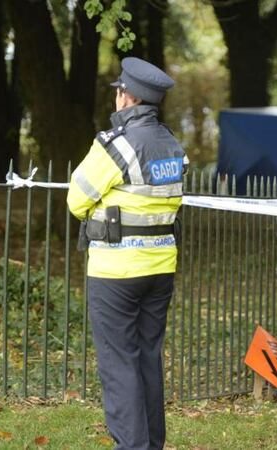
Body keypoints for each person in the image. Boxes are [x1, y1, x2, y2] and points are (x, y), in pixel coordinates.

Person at [67, 57, 187, 450]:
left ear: (127, 97)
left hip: (115, 272)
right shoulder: (173, 146)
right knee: (147, 359)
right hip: (160, 269)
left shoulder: (115, 146)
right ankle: (151, 444)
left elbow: (76, 199)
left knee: (119, 364)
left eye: (119, 91)